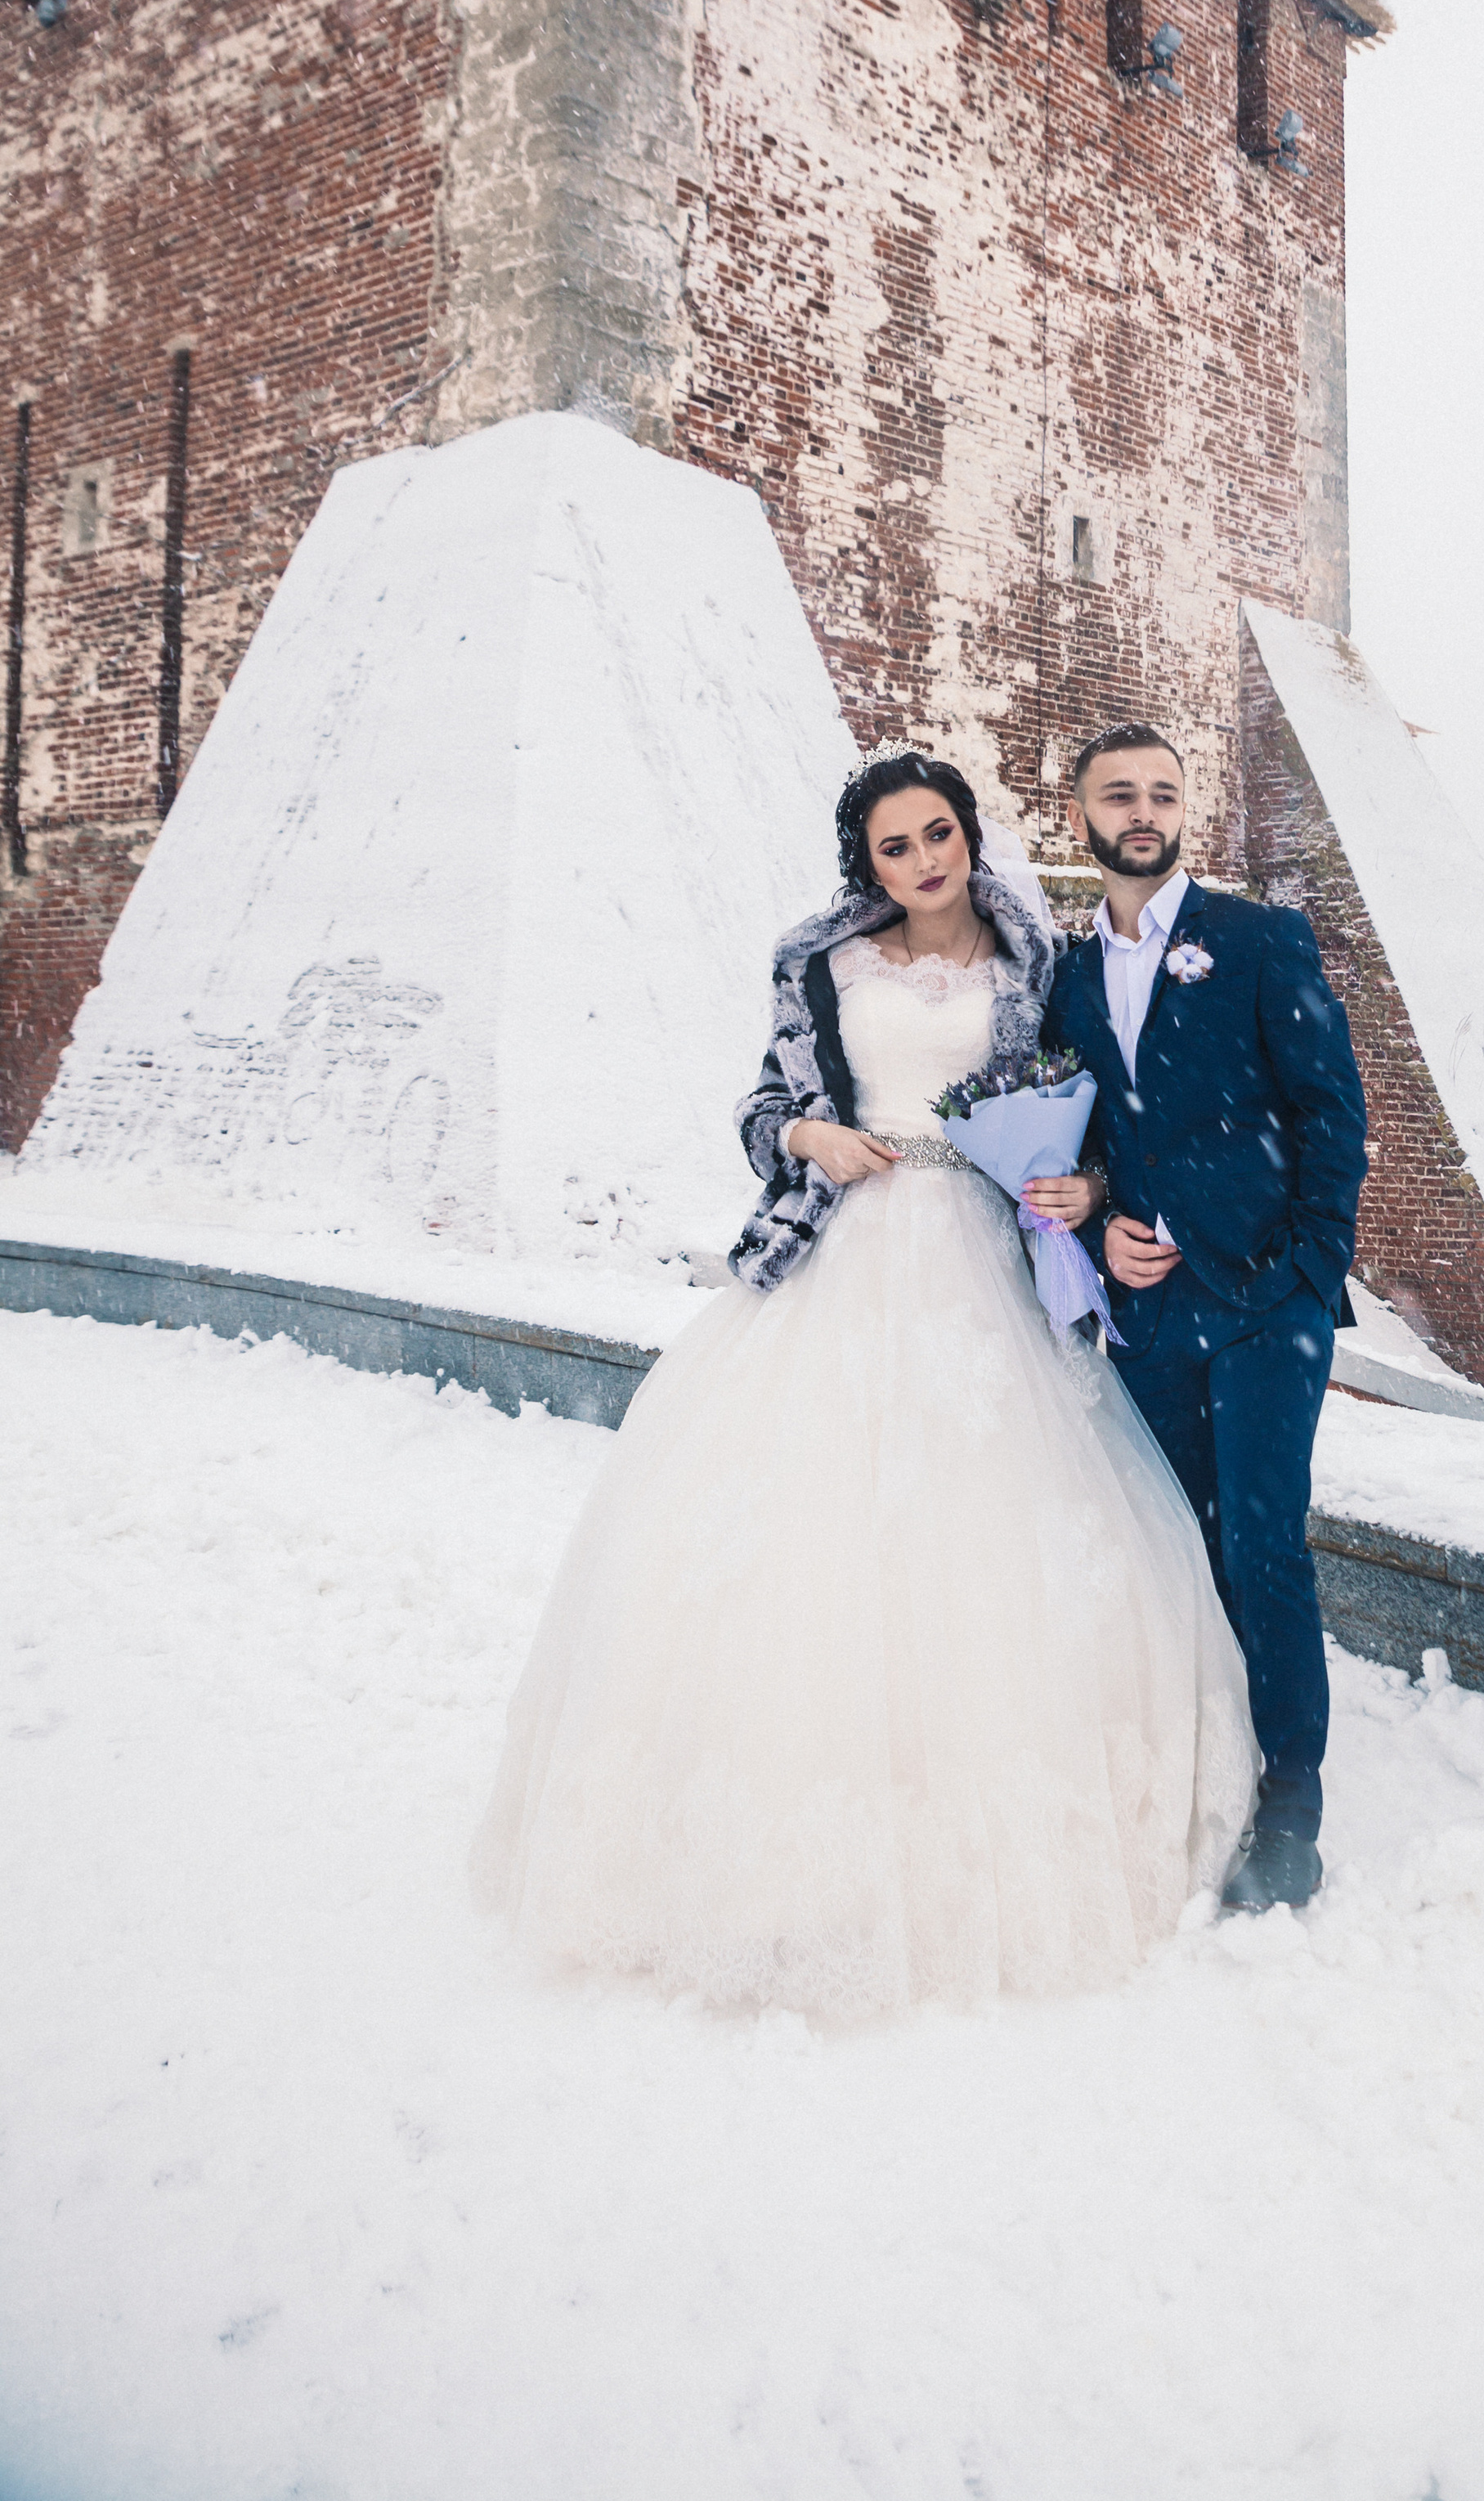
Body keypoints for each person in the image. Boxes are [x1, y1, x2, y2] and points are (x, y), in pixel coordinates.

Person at [473, 742, 1257, 2023]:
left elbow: (1095, 1122)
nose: (924, 862)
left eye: (938, 834)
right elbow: (758, 1104)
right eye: (896, 847)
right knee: (806, 1542)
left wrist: (1094, 1189)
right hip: (847, 1246)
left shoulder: (1037, 962)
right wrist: (802, 1133)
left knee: (990, 1537)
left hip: (984, 1263)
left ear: (968, 833)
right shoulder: (818, 965)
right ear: (868, 864)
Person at [1038, 723, 1369, 1913]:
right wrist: (1096, 1225)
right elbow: (1081, 1143)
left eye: (1163, 794)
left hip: (1263, 1304)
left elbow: (1333, 1114)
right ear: (1078, 810)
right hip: (1147, 1314)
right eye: (1119, 794)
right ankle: (1204, 1769)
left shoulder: (1258, 940)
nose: (1143, 811)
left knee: (1264, 1548)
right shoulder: (1068, 979)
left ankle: (1289, 1807)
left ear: (1187, 810)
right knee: (1177, 1553)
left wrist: (1309, 1271)